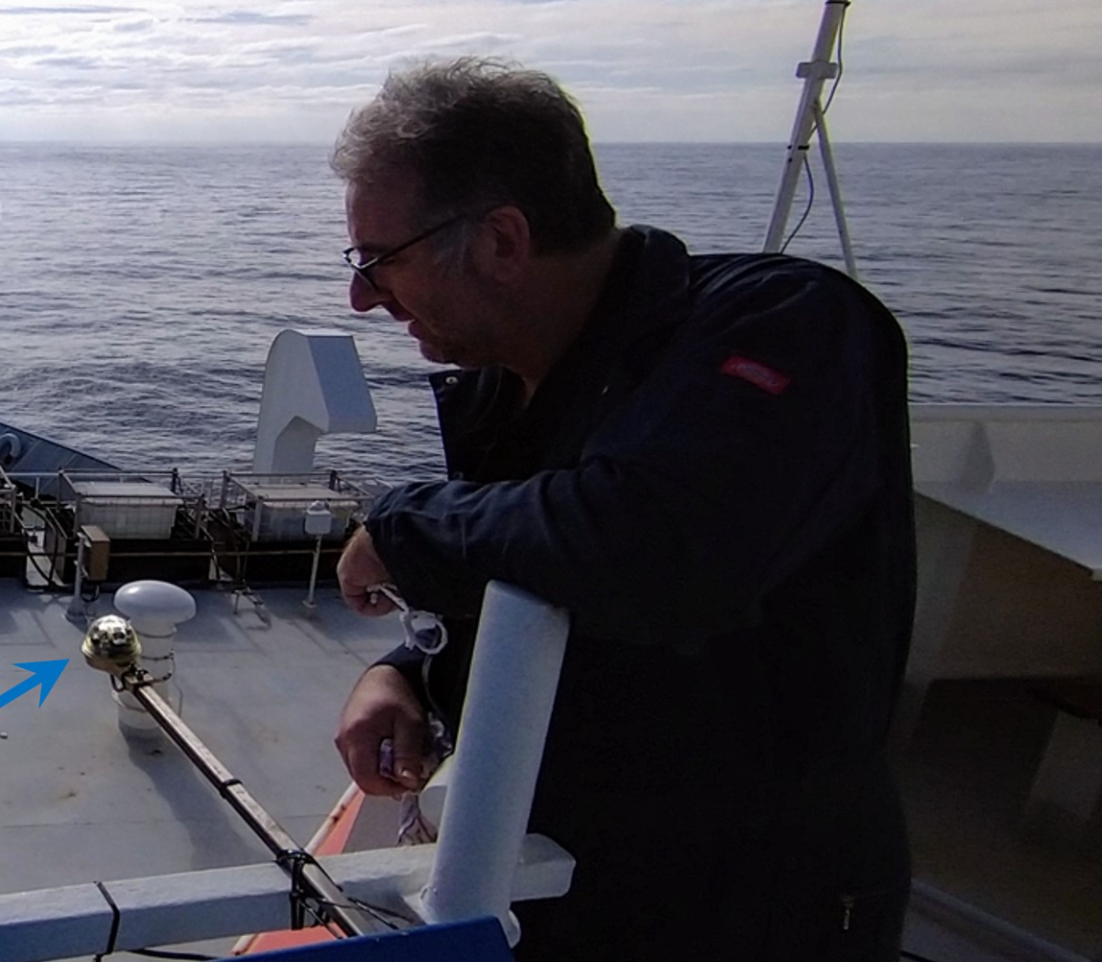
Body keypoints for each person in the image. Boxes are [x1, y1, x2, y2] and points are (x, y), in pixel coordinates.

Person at [329, 58, 915, 961]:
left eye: (380, 261)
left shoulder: (790, 324)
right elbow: (553, 561)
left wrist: (404, 528)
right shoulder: (520, 385)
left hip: (747, 908)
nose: (363, 297)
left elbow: (662, 547)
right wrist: (414, 671)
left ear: (502, 241)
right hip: (565, 875)